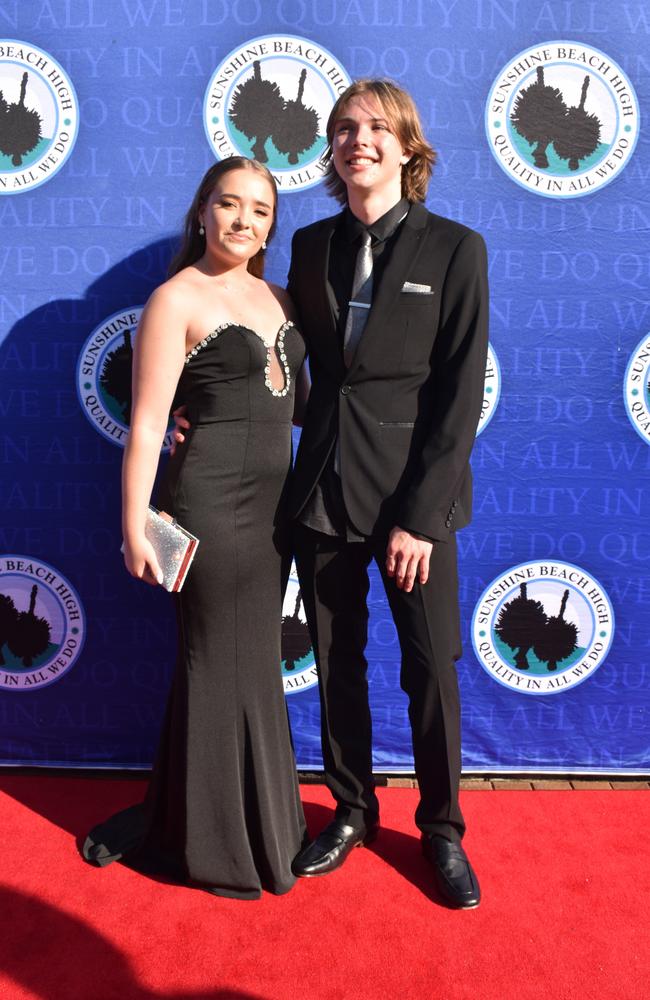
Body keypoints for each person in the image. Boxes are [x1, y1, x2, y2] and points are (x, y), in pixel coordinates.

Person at [286, 79, 488, 908]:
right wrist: (197, 410)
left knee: (428, 670)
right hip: (324, 491)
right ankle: (352, 811)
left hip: (414, 506)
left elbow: (458, 393)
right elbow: (278, 354)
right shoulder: (305, 245)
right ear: (330, 152)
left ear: (408, 149)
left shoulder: (456, 248)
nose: (356, 139)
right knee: (336, 662)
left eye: (375, 128)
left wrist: (419, 520)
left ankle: (440, 830)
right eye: (342, 128)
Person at [83, 157, 307, 900]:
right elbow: (146, 425)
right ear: (202, 211)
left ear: (273, 224)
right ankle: (217, 848)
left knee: (254, 668)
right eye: (229, 205)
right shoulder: (174, 298)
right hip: (206, 509)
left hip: (276, 517)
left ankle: (247, 824)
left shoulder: (280, 296)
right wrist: (134, 525)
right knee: (216, 664)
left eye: (261, 210)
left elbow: (299, 404)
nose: (244, 220)